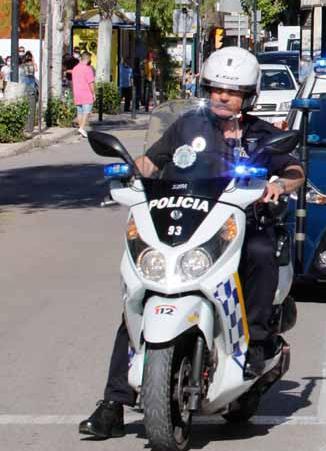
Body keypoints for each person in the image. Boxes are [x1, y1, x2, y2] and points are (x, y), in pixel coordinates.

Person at [78, 47, 305, 440]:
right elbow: (152, 161)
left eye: (232, 92)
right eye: (216, 89)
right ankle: (113, 403)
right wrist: (130, 174)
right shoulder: (187, 126)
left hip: (243, 223)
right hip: (186, 224)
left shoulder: (262, 135)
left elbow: (295, 169)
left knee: (260, 253)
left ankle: (256, 343)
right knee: (142, 294)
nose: (222, 97)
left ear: (248, 96)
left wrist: (277, 185)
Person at [71, 52, 95, 138]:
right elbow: (91, 83)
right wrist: (93, 93)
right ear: (88, 59)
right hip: (86, 93)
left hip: (77, 93)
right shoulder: (88, 69)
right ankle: (81, 127)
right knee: (86, 112)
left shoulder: (75, 69)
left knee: (80, 112)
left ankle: (81, 129)